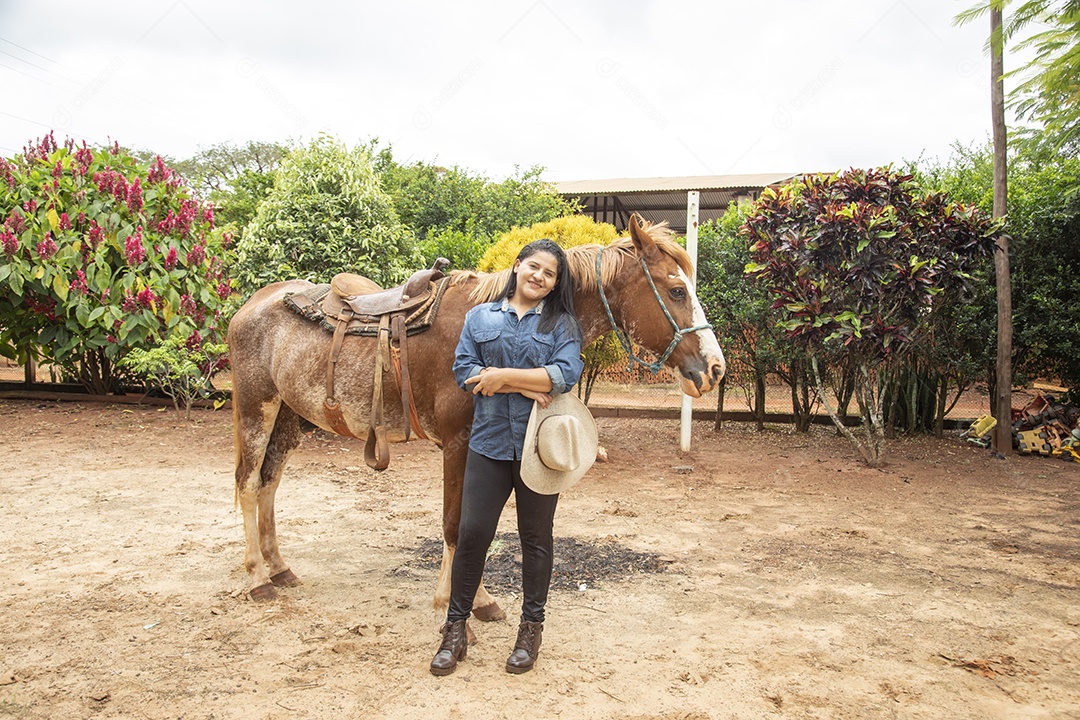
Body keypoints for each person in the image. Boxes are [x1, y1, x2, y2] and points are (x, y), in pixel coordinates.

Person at [431, 238, 584, 676]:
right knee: (472, 535)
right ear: (517, 266)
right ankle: (455, 631)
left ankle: (530, 631)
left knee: (536, 540)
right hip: (489, 444)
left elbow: (564, 374)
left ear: (555, 284)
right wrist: (524, 384)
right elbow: (464, 370)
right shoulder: (480, 316)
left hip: (540, 450)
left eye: (550, 274)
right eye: (534, 267)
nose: (540, 277)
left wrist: (500, 378)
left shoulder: (562, 324)